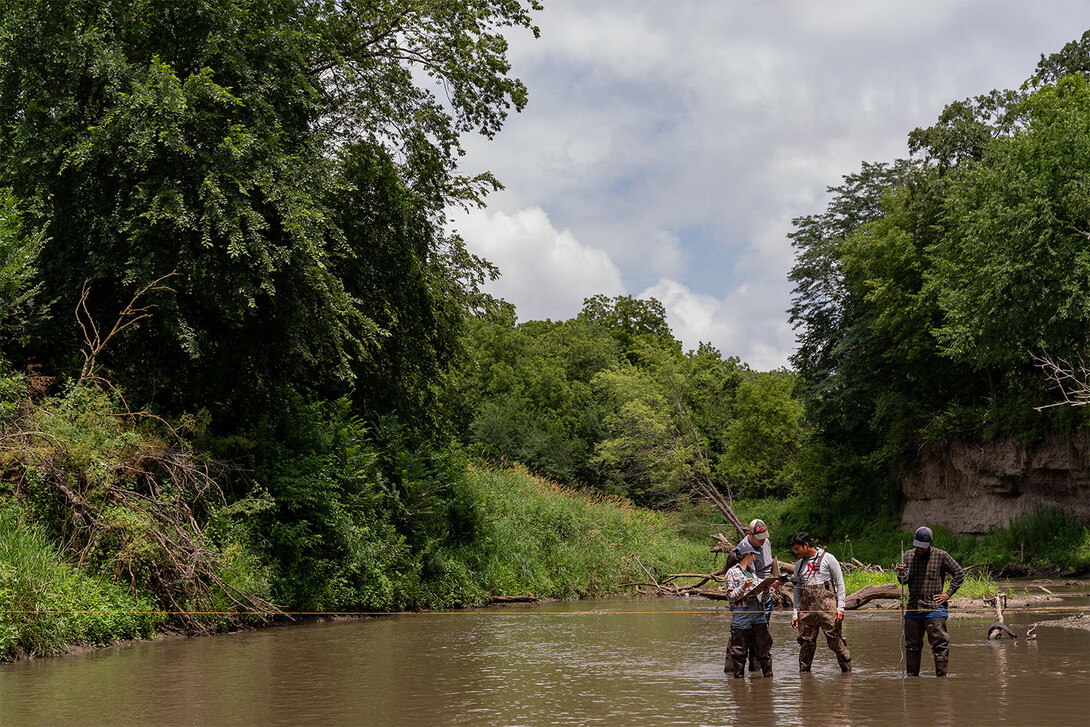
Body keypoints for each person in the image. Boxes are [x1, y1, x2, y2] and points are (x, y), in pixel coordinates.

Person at [895, 526, 965, 677]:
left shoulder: (941, 556)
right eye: (918, 546)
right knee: (911, 647)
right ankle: (912, 679)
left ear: (930, 544)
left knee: (940, 645)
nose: (920, 549)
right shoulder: (907, 556)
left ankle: (942, 679)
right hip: (913, 609)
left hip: (934, 609)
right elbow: (903, 581)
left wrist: (947, 594)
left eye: (923, 547)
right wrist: (900, 574)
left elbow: (959, 573)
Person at [788, 531, 851, 673]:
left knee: (836, 641)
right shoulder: (799, 565)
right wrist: (794, 613)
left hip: (828, 610)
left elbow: (840, 584)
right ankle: (804, 675)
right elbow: (796, 590)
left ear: (806, 545)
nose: (796, 552)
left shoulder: (828, 559)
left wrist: (841, 607)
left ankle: (847, 671)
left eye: (797, 548)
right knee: (806, 643)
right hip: (806, 612)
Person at [723, 539, 773, 678]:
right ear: (748, 554)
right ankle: (738, 684)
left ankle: (768, 679)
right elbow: (731, 597)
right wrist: (743, 587)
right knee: (739, 652)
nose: (755, 558)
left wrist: (766, 590)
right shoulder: (731, 573)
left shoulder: (752, 572)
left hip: (758, 613)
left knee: (764, 649)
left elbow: (762, 597)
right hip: (741, 616)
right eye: (754, 555)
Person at [744, 518, 782, 671]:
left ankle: (758, 670)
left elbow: (769, 566)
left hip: (766, 594)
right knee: (746, 635)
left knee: (763, 632)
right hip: (751, 597)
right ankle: (745, 671)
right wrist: (768, 583)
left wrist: (776, 579)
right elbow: (747, 578)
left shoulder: (765, 542)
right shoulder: (743, 549)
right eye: (759, 538)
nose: (762, 541)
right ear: (750, 535)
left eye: (764, 537)